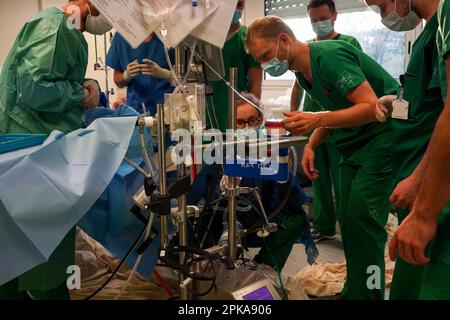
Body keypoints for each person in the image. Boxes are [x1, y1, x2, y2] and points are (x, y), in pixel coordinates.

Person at [245, 16, 399, 299]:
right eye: (261, 61)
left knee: (364, 222)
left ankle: (370, 293)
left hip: (382, 139)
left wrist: (317, 119)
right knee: (350, 224)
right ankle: (356, 288)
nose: (267, 64)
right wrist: (313, 145)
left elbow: (371, 107)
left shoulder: (329, 56)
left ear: (283, 40)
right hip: (352, 145)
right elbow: (335, 109)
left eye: (266, 56)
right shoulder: (303, 74)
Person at [0, 0, 112, 300]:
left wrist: (85, 83)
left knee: (16, 247)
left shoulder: (68, 29)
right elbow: (35, 86)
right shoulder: (56, 26)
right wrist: (78, 93)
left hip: (36, 150)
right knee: (41, 242)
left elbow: (53, 76)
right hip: (31, 153)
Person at [364, 0, 444, 300]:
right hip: (414, 178)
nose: (384, 16)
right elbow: (430, 101)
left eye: (382, 6)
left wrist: (420, 183)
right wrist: (397, 102)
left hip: (431, 191)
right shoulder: (428, 33)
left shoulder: (442, 25)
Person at [187, 94, 318, 271]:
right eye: (240, 123)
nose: (247, 128)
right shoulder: (221, 152)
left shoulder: (274, 149)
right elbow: (195, 198)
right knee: (195, 222)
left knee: (295, 221)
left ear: (261, 120)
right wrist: (220, 190)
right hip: (222, 224)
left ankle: (266, 268)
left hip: (261, 224)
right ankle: (206, 267)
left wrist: (281, 179)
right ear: (232, 125)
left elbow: (292, 201)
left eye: (252, 121)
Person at [290, 0, 363, 243]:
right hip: (313, 122)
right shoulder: (306, 48)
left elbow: (357, 81)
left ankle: (349, 226)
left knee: (344, 180)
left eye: (323, 18)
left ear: (334, 15)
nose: (318, 24)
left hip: (341, 122)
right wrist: (292, 113)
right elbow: (297, 85)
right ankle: (323, 225)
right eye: (313, 20)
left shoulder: (347, 43)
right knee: (317, 176)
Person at [207, 0, 262, 132]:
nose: (237, 8)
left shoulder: (247, 38)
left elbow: (256, 84)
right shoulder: (207, 38)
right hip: (209, 108)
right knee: (210, 149)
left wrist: (251, 118)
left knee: (236, 149)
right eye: (234, 4)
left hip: (239, 113)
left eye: (241, 5)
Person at [106, 32, 174, 115]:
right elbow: (118, 80)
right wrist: (126, 76)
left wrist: (166, 74)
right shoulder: (122, 36)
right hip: (135, 111)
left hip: (170, 108)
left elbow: (187, 79)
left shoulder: (171, 33)